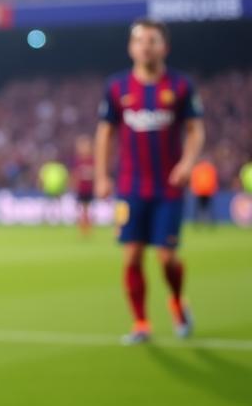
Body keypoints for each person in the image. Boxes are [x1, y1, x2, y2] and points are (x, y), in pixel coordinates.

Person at [94, 19, 205, 345]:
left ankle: (177, 302)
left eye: (152, 40)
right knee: (131, 255)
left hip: (168, 187)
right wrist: (102, 176)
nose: (146, 46)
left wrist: (187, 163)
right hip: (129, 189)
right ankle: (141, 322)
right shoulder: (117, 87)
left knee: (167, 258)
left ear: (164, 47)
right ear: (131, 48)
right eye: (140, 40)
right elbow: (105, 133)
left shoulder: (181, 86)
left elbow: (196, 129)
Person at [72, 134, 96, 235]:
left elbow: (96, 174)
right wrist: (74, 185)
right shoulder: (77, 161)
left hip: (89, 189)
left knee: (88, 209)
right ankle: (82, 228)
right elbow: (75, 175)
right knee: (80, 209)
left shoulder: (93, 160)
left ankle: (88, 228)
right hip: (80, 189)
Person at [190, 158, 218, 226]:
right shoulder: (210, 169)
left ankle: (200, 224)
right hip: (205, 191)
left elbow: (194, 180)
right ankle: (203, 224)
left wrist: (194, 189)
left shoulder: (198, 169)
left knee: (201, 209)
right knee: (205, 209)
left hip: (202, 191)